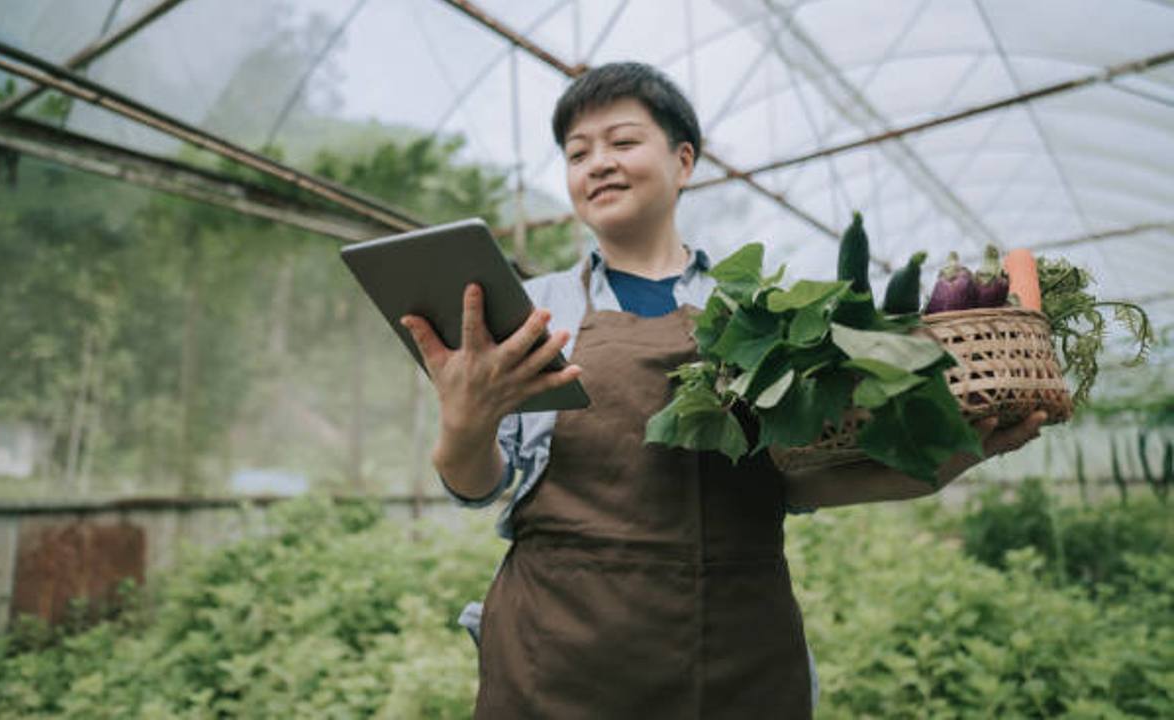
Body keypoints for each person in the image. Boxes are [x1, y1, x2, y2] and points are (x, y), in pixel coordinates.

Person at [400, 62, 1046, 719]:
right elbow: (475, 485)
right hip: (559, 655)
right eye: (577, 153)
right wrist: (465, 420)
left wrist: (955, 457)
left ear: (683, 161)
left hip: (735, 652)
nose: (598, 164)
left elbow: (796, 481)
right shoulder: (531, 312)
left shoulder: (760, 310)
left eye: (622, 143)